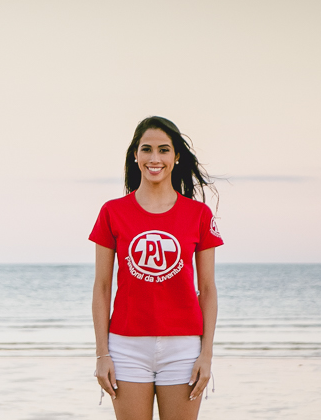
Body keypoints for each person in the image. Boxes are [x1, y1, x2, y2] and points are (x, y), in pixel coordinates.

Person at [90, 116, 223, 420]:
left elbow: (208, 289)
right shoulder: (112, 212)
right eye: (146, 149)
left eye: (164, 150)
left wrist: (206, 353)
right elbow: (102, 287)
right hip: (125, 347)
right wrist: (102, 354)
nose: (154, 158)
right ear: (135, 155)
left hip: (184, 348)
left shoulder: (199, 215)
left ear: (176, 157)